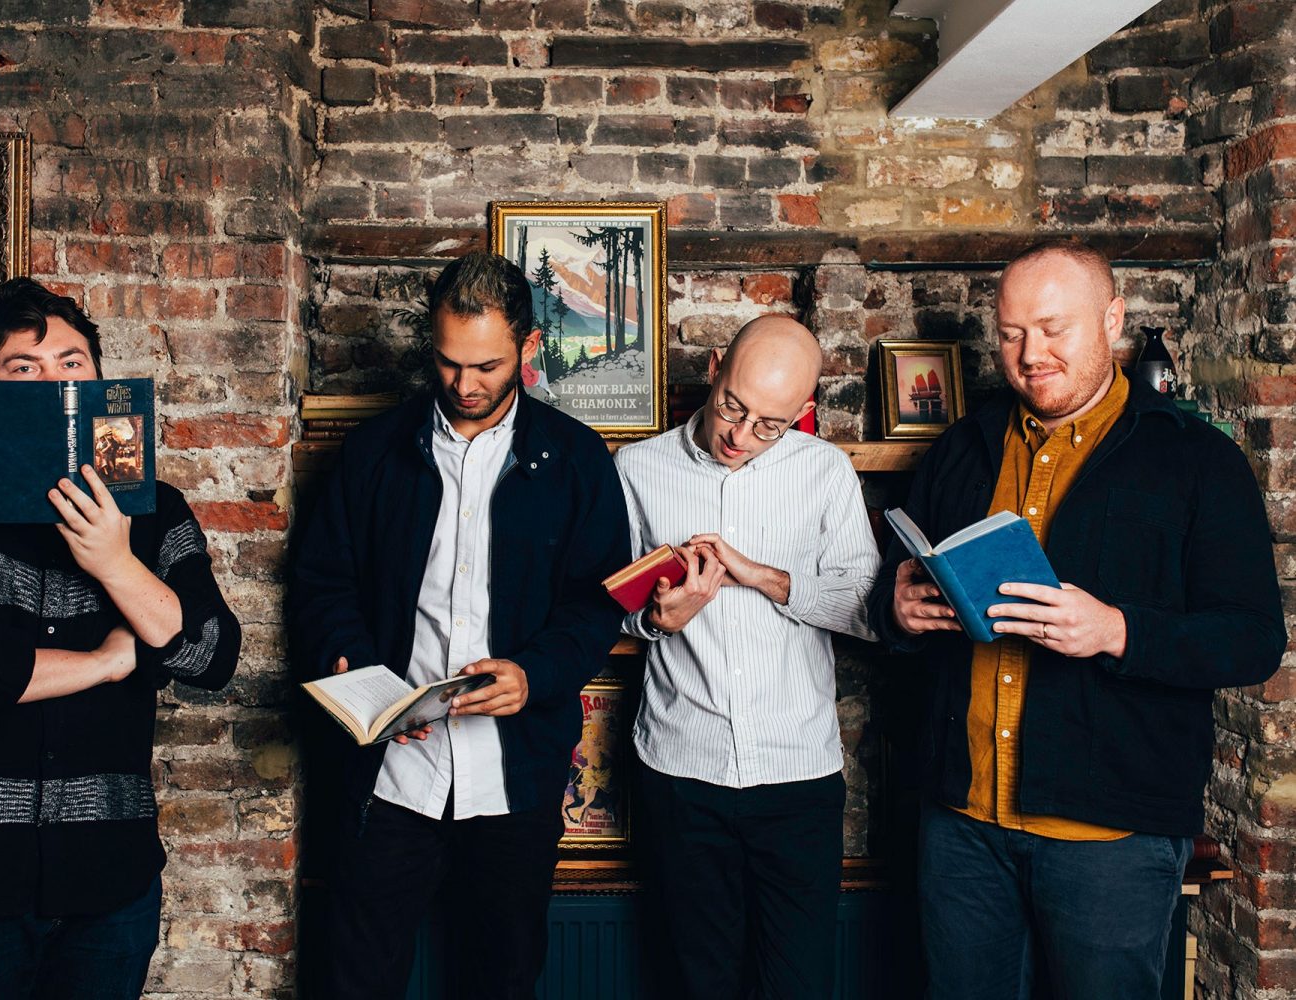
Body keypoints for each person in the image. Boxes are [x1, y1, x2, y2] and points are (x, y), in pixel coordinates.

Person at [865, 239, 1286, 999]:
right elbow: (898, 596)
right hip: (961, 824)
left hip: (1110, 839)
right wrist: (896, 608)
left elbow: (1253, 638)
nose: (1032, 354)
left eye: (1055, 328)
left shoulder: (1196, 460)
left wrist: (1117, 631)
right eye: (1013, 333)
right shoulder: (964, 448)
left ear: (1113, 320)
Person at [0, 278, 242, 999]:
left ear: (98, 380)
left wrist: (114, 562)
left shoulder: (157, 510)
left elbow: (209, 655)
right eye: (23, 368)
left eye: (71, 363)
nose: (52, 380)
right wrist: (106, 663)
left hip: (108, 882)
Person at [289, 251, 631, 999]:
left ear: (528, 350)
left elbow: (597, 601)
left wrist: (534, 674)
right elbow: (322, 585)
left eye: (486, 366)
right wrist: (360, 676)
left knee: (501, 980)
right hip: (390, 777)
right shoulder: (373, 453)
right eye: (447, 364)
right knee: (356, 979)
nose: (464, 385)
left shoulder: (576, 461)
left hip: (514, 778)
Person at [613, 315, 881, 999]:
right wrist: (653, 619)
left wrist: (765, 576)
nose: (740, 436)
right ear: (713, 367)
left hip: (797, 776)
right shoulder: (637, 469)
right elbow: (604, 604)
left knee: (799, 984)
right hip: (680, 771)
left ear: (802, 413)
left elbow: (870, 611)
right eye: (733, 407)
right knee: (696, 984)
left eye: (770, 425)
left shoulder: (824, 472)